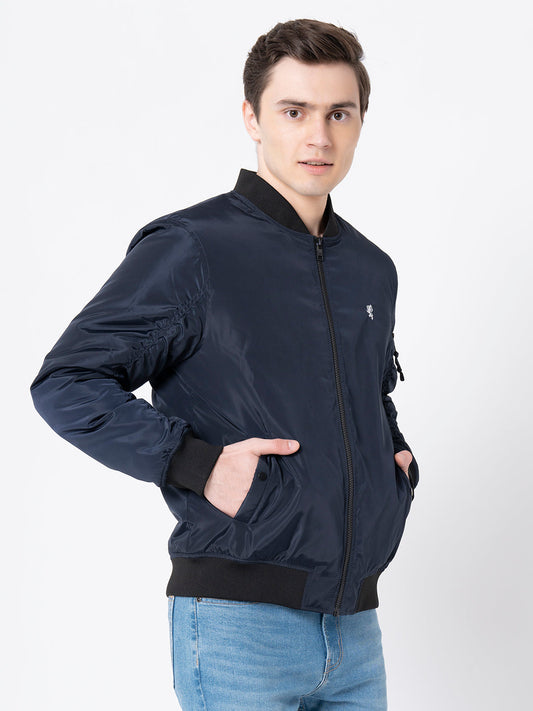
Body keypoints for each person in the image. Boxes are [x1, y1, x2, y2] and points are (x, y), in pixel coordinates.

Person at [30, 17, 419, 711]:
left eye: (339, 113)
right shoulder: (194, 248)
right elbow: (68, 380)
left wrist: (395, 466)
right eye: (294, 111)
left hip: (356, 629)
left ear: (361, 120)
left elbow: (366, 394)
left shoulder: (371, 268)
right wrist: (196, 462)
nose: (318, 136)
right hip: (239, 625)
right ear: (252, 118)